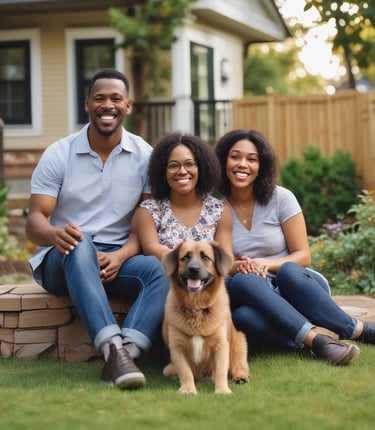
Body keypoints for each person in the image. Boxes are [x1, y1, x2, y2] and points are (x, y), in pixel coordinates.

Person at [25, 69, 170, 390]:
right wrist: (53, 235)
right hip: (63, 260)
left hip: (117, 260)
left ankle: (125, 354)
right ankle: (113, 348)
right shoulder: (59, 154)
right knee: (80, 241)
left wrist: (123, 255)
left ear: (128, 105)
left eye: (116, 98)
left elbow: (144, 220)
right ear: (88, 104)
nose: (108, 105)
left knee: (160, 269)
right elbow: (35, 221)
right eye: (100, 98)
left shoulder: (145, 156)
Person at [214, 128, 375, 365]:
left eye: (252, 159)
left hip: (299, 286)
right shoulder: (217, 209)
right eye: (235, 156)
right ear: (223, 161)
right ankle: (317, 343)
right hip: (259, 294)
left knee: (288, 270)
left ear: (262, 165)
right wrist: (243, 266)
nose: (242, 164)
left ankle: (356, 329)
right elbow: (225, 264)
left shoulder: (281, 198)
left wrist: (264, 263)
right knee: (243, 312)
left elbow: (303, 256)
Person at [131, 132, 232, 260]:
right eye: (173, 166)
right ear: (163, 171)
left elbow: (225, 257)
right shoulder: (149, 211)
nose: (182, 171)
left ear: (201, 168)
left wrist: (243, 265)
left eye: (189, 164)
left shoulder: (219, 211)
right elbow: (151, 248)